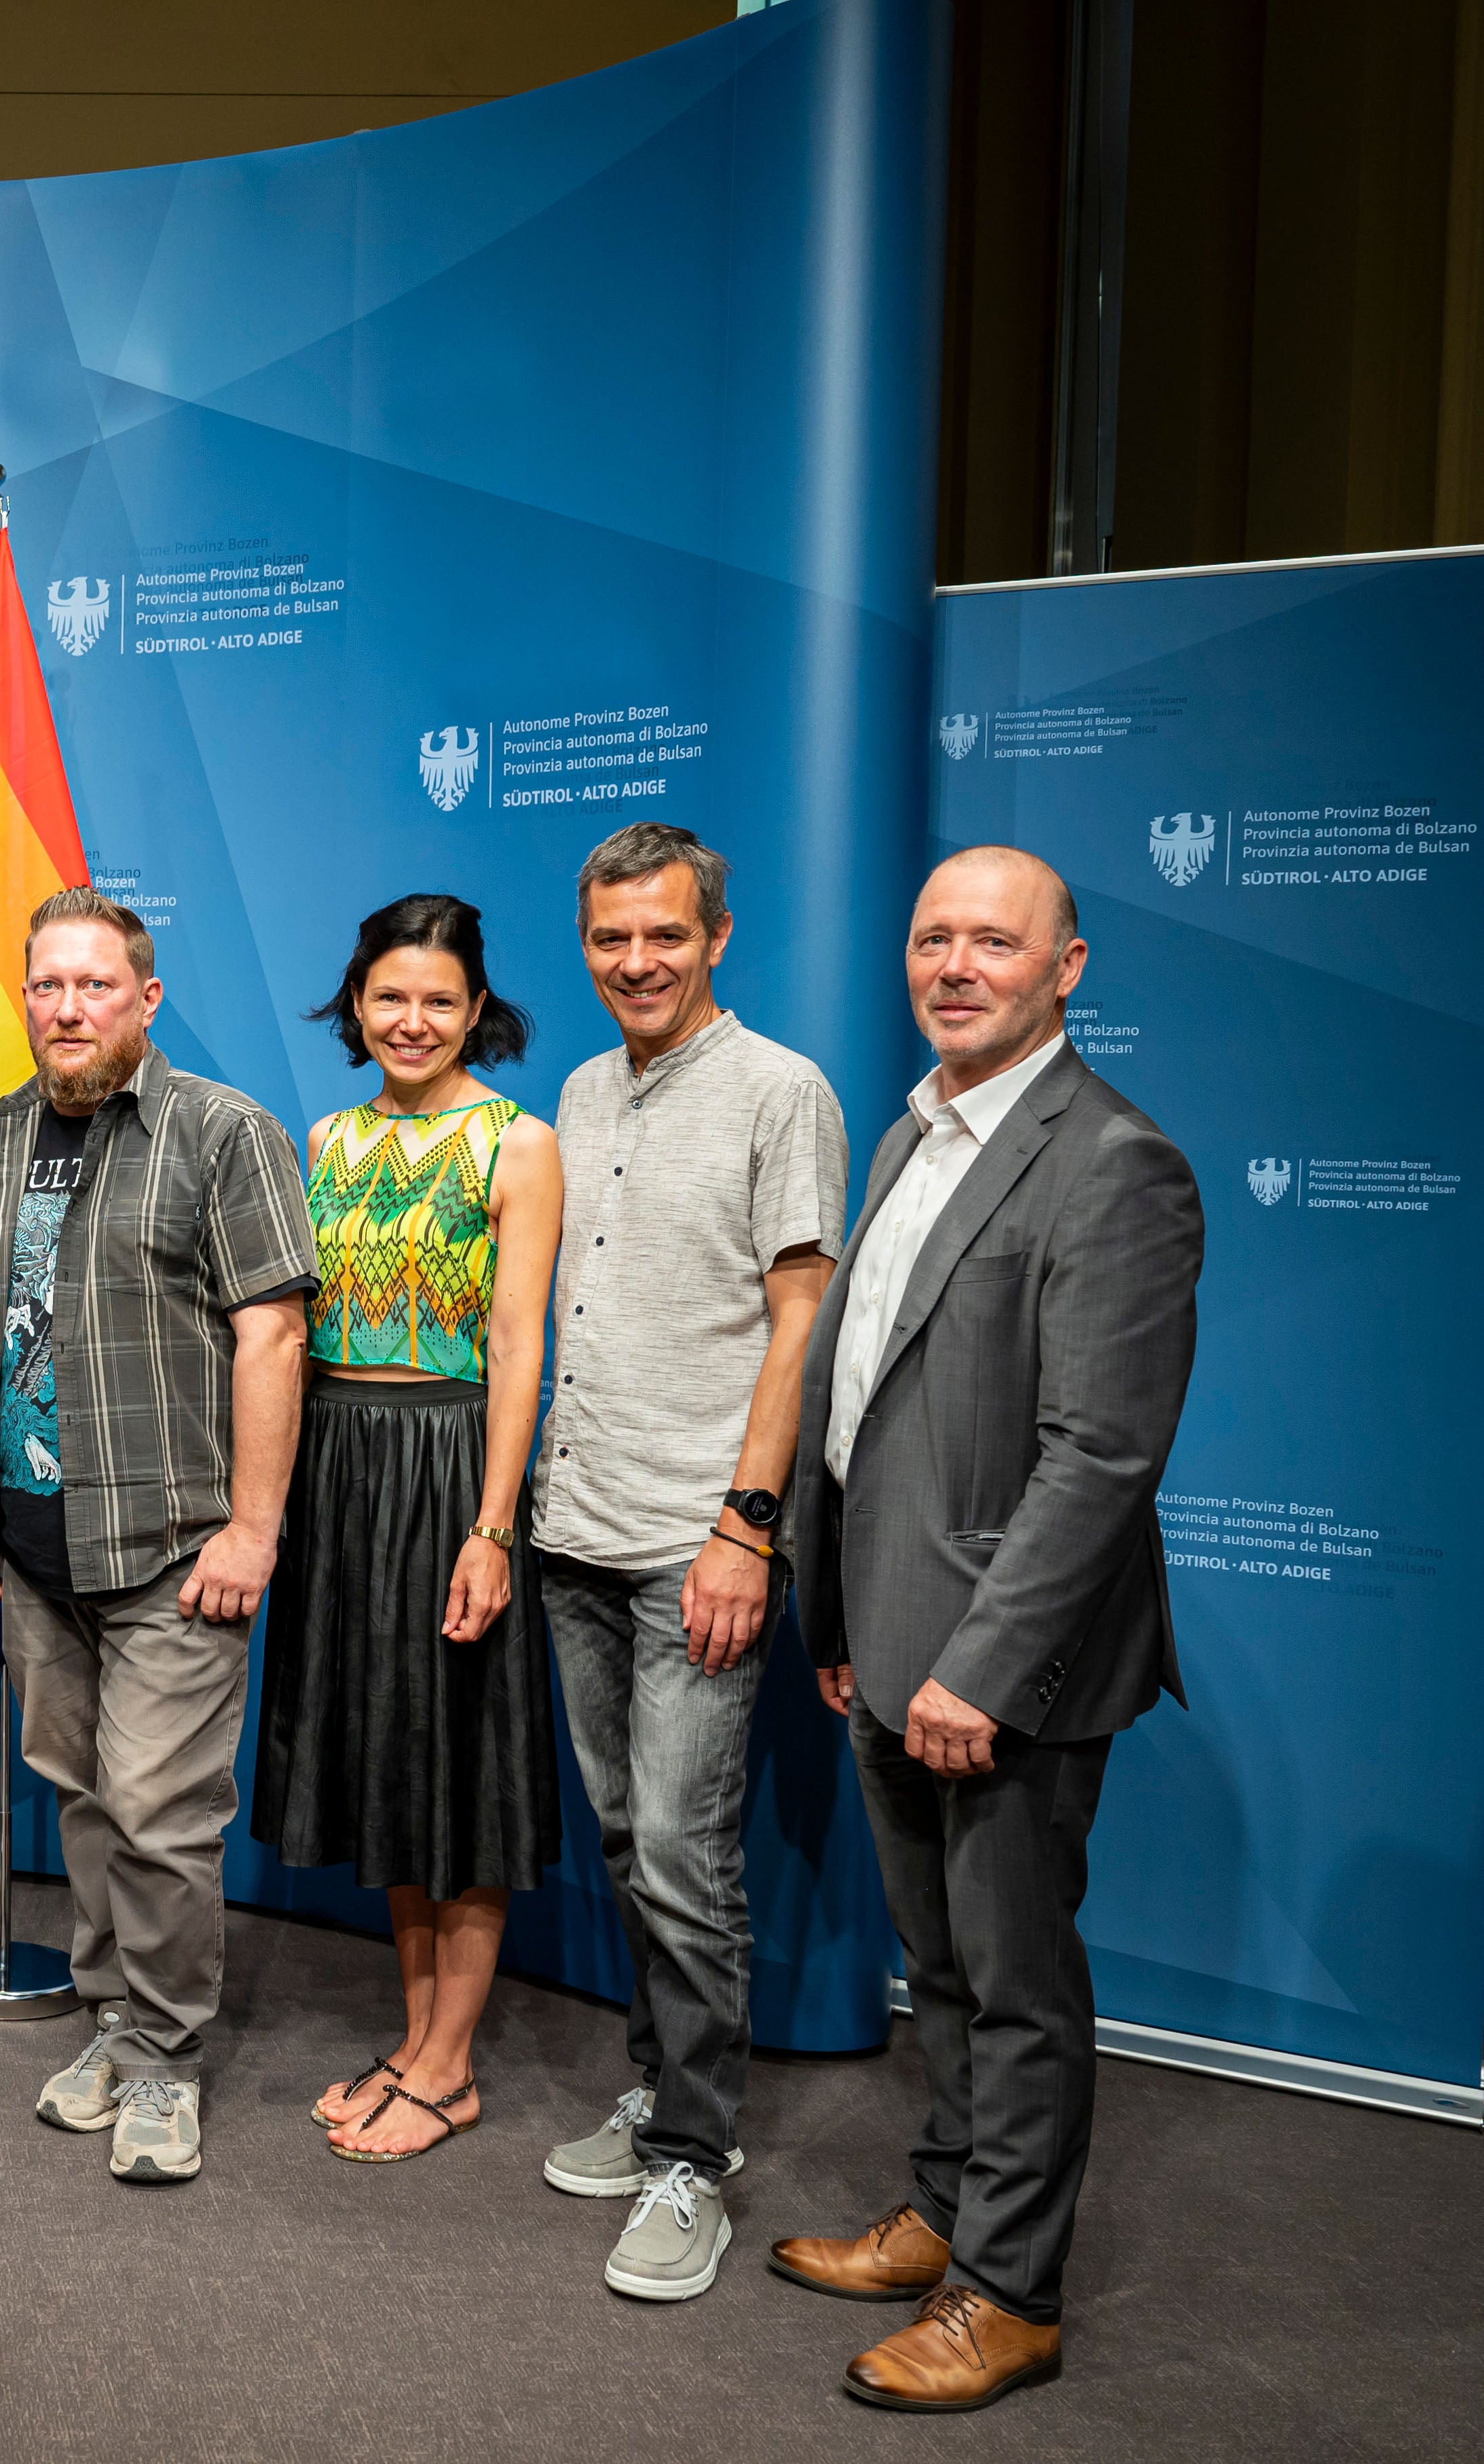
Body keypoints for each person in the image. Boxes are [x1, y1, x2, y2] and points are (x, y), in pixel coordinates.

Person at [776, 846, 1200, 2412]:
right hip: (885, 1637)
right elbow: (865, 1396)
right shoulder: (912, 1127)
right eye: (931, 937)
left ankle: (1009, 2294)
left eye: (993, 943)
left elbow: (1100, 1456)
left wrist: (979, 1664)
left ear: (1065, 967)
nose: (955, 965)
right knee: (938, 1968)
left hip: (1000, 1668)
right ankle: (944, 2212)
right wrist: (840, 1615)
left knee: (1015, 1986)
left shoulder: (1111, 1162)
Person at [0, 888, 314, 2184]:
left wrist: (253, 1528)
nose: (68, 1008)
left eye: (96, 986)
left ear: (145, 1000)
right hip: (39, 1550)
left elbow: (272, 1332)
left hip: (172, 1546)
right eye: (48, 986)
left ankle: (165, 2057)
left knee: (161, 1812)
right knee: (88, 1805)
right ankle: (114, 2017)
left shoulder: (223, 1133)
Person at [523, 823, 847, 2301]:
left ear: (716, 937)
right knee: (619, 1841)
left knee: (680, 1855)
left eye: (662, 935)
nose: (634, 962)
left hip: (693, 1546)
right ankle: (656, 2094)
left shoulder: (783, 1092)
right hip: (571, 1533)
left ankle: (691, 2159)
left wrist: (745, 1529)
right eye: (609, 939)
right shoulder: (583, 1089)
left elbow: (801, 1323)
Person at [253, 894, 566, 2171]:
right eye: (392, 996)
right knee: (385, 1750)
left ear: (477, 1010)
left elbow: (516, 1345)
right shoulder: (323, 1138)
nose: (415, 1020)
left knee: (461, 1762)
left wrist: (492, 1527)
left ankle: (452, 2067)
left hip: (450, 1464)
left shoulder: (520, 1144)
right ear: (357, 1002)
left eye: (441, 999)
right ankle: (413, 2032)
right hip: (338, 1462)